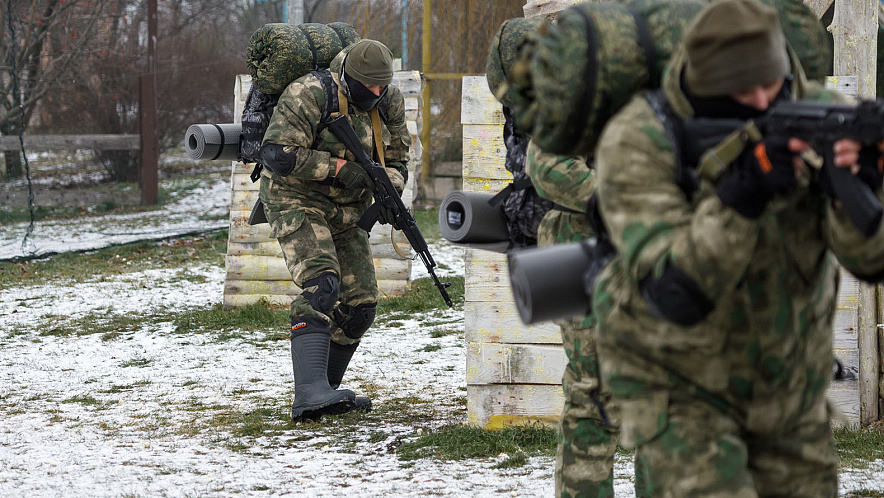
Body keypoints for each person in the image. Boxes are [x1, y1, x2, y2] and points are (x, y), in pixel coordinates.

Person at [591, 0, 884, 494]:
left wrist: (859, 188)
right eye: (743, 91)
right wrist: (743, 194)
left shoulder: (815, 111)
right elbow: (674, 292)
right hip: (682, 396)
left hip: (790, 398)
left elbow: (871, 263)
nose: (764, 100)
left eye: (771, 83)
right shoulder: (641, 139)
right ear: (705, 83)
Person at [258, 39, 411, 421]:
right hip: (295, 197)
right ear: (350, 77)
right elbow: (277, 153)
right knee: (322, 285)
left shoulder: (388, 100)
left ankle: (325, 391)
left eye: (382, 87)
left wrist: (388, 189)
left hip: (347, 208)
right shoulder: (310, 93)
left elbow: (399, 158)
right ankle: (307, 394)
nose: (375, 94)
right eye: (368, 87)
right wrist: (338, 169)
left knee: (361, 306)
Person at [526, 143, 645, 497]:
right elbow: (546, 160)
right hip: (594, 249)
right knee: (596, 395)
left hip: (679, 252)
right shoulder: (591, 91)